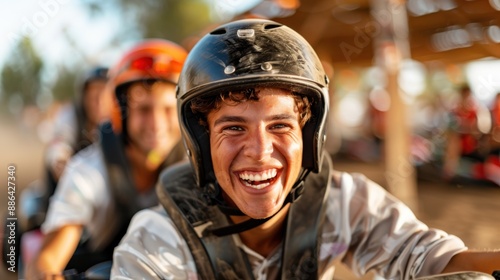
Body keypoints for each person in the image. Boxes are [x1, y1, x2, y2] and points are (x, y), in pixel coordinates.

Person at [111, 19, 500, 280]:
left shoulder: (341, 202)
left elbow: (431, 260)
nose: (260, 151)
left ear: (310, 135)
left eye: (280, 125)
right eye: (233, 128)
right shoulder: (155, 242)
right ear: (200, 142)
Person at [26, 39, 188, 279]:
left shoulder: (195, 164)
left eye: (167, 110)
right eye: (143, 110)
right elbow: (47, 260)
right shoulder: (88, 172)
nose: (157, 125)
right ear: (120, 112)